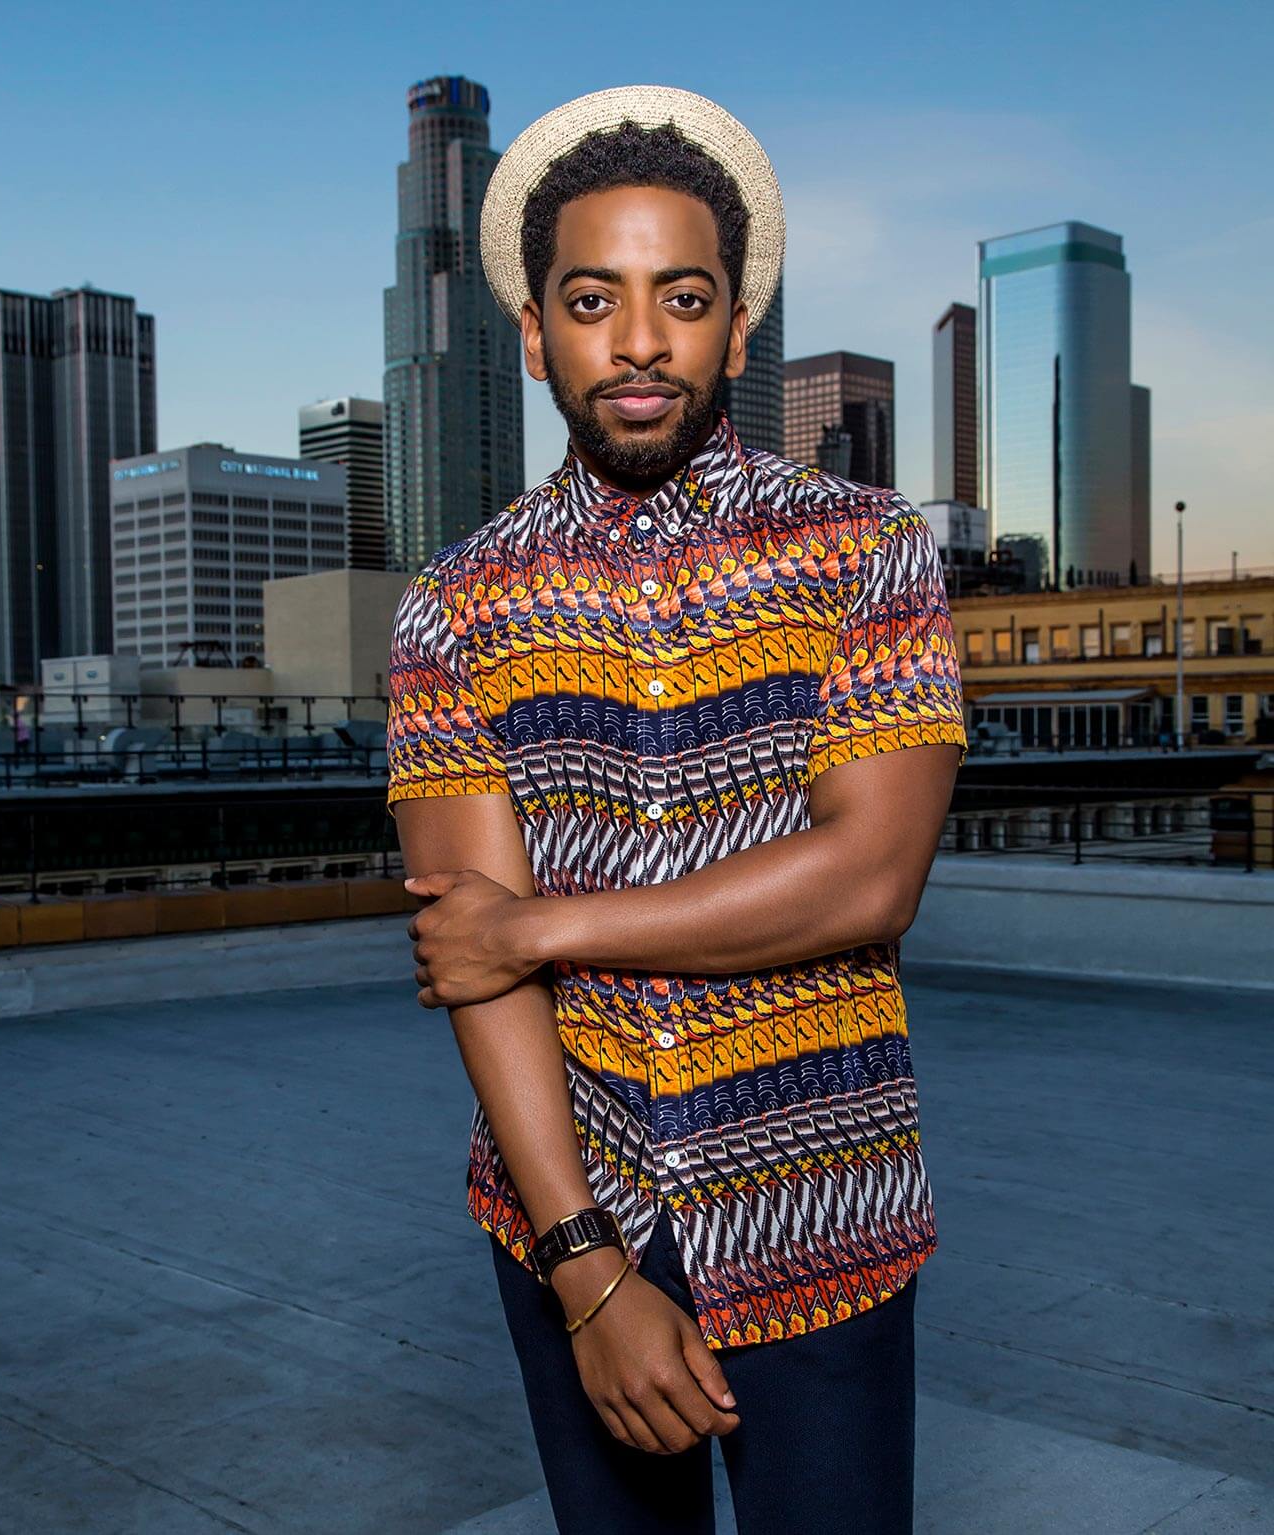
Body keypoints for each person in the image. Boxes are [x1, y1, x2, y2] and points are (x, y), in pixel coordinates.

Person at [386, 84, 970, 1535]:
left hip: (820, 1203)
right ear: (535, 333)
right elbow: (472, 958)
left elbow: (868, 878)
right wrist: (587, 1273)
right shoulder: (451, 607)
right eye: (592, 299)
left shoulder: (867, 552)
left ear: (736, 325)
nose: (638, 341)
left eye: (681, 297)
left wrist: (547, 924)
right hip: (561, 1210)